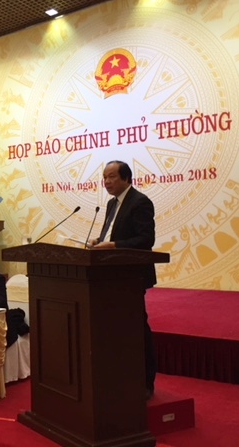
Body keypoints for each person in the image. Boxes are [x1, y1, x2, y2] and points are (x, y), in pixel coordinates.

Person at [88, 160, 157, 400]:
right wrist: (99, 241)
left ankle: (146, 382)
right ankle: (120, 377)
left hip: (131, 276)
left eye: (111, 177)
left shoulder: (140, 202)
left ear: (126, 178)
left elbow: (145, 239)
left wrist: (114, 245)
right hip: (109, 275)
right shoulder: (111, 203)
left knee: (136, 328)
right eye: (104, 177)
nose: (106, 182)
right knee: (114, 328)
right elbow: (113, 233)